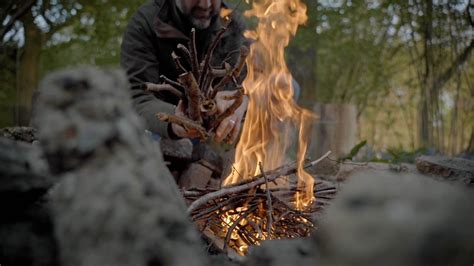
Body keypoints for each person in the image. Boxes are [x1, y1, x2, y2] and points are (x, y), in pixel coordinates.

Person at [120, 0, 248, 144]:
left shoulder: (234, 22)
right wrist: (174, 120)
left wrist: (242, 100)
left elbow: (259, 82)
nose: (205, 5)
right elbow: (138, 97)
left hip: (217, 132)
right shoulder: (146, 22)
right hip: (163, 129)